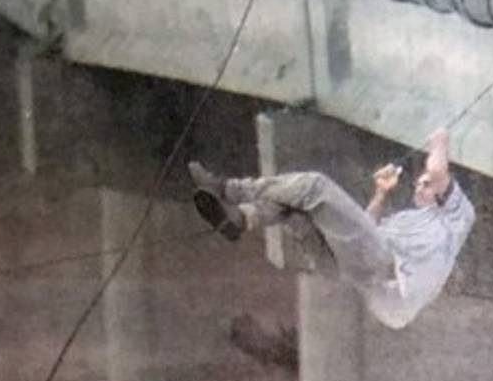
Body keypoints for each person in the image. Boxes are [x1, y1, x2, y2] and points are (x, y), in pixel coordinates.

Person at [188, 129, 475, 330]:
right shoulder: (409, 219)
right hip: (354, 278)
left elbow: (438, 170)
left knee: (314, 186)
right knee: (296, 211)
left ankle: (227, 188)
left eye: (426, 185)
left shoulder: (457, 217)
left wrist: (439, 141)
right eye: (419, 183)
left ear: (444, 193)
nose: (420, 187)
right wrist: (380, 193)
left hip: (381, 277)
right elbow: (362, 231)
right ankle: (241, 219)